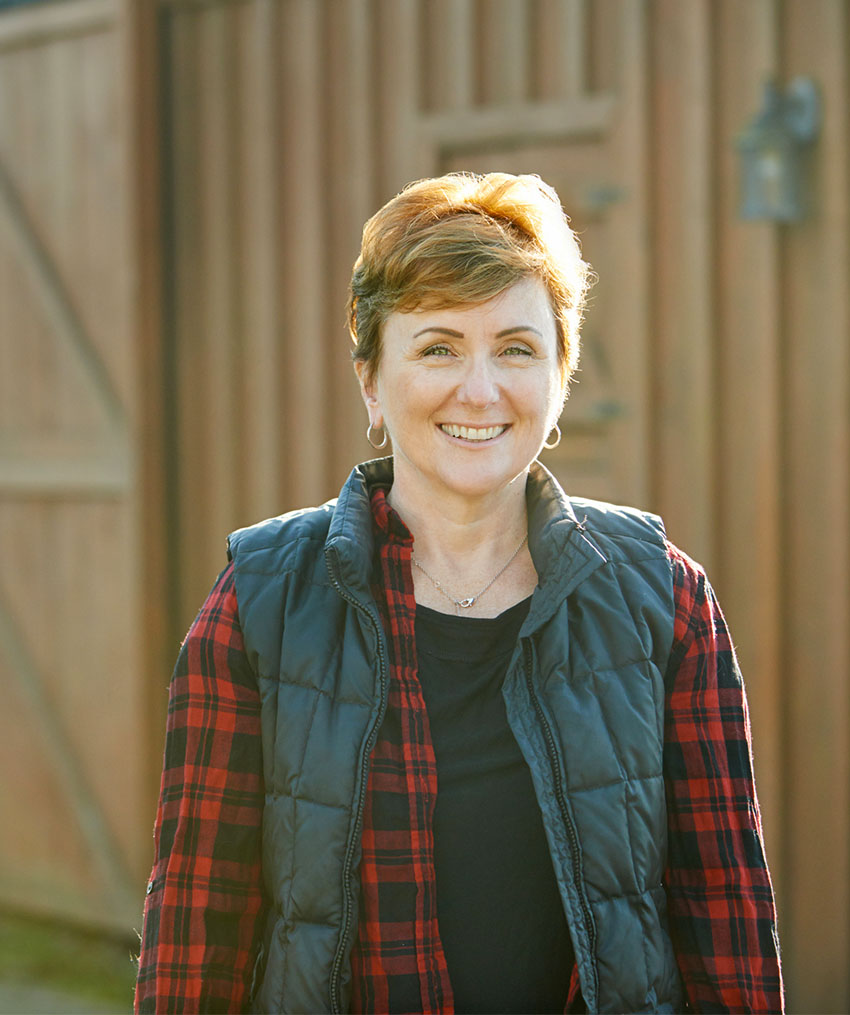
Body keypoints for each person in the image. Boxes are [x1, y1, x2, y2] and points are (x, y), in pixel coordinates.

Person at [135, 172, 782, 1014]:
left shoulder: (665, 598)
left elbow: (727, 929)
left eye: (516, 348)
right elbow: (196, 933)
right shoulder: (260, 602)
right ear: (371, 378)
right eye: (438, 346)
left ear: (559, 380)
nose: (480, 389)